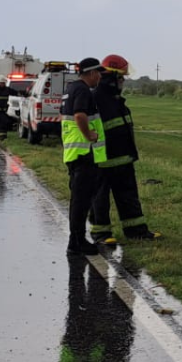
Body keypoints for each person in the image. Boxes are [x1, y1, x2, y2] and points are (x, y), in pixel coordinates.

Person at [89, 54, 161, 243]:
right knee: (100, 198)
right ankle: (101, 233)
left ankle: (136, 231)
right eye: (121, 77)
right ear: (111, 77)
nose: (123, 81)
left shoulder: (116, 100)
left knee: (128, 196)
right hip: (102, 160)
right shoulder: (96, 99)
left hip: (123, 158)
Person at [61, 58, 106, 255]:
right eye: (99, 73)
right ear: (91, 73)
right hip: (83, 154)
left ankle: (77, 240)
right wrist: (89, 135)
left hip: (75, 154)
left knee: (78, 200)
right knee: (81, 202)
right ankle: (77, 242)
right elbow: (80, 115)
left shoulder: (71, 88)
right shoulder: (82, 90)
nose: (100, 77)